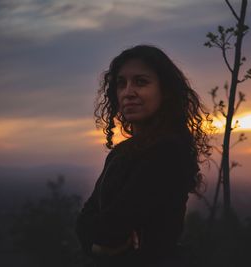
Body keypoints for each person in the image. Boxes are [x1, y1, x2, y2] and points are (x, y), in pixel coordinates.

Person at [75, 44, 212, 267]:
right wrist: (95, 245)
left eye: (141, 82)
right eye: (121, 84)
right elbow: (84, 223)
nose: (128, 92)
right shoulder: (121, 152)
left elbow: (111, 229)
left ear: (165, 91)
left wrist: (100, 239)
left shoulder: (168, 151)